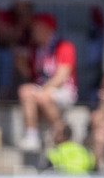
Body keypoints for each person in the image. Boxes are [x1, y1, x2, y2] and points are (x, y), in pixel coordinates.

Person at [17, 12, 77, 151]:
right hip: (43, 91)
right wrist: (20, 62)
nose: (33, 31)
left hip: (64, 91)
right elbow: (29, 74)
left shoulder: (64, 46)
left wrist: (41, 90)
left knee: (43, 96)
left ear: (46, 28)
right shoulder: (36, 49)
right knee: (25, 91)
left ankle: (61, 130)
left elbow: (61, 77)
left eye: (36, 27)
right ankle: (31, 136)